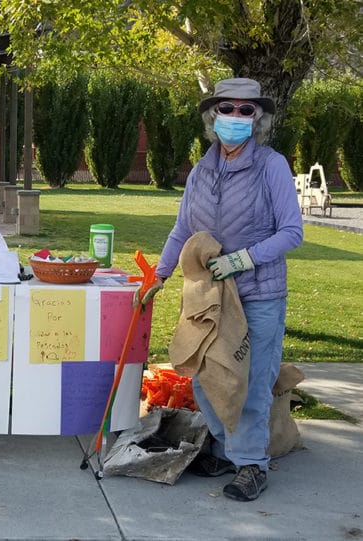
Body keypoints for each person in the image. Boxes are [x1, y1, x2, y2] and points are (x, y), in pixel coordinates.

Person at [148, 78, 304, 501]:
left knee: (250, 382)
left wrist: (243, 258)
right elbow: (184, 227)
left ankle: (252, 464)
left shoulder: (271, 165)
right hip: (209, 297)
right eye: (227, 109)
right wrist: (159, 275)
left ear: (259, 120)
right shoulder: (202, 169)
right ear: (212, 116)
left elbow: (292, 231)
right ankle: (222, 448)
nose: (235, 117)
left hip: (258, 293)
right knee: (206, 376)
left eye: (246, 110)